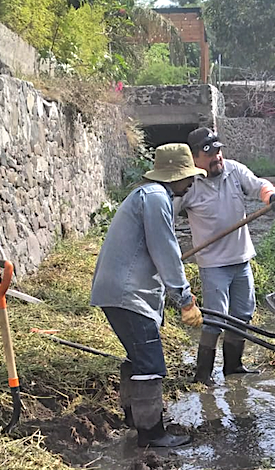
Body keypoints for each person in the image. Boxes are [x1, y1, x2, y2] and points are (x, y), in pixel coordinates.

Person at [90, 143, 205, 448]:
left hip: (120, 291)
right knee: (151, 363)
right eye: (188, 176)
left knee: (139, 357)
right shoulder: (155, 198)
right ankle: (151, 433)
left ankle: (134, 418)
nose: (191, 182)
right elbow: (165, 250)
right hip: (129, 294)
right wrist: (184, 298)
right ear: (175, 175)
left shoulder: (146, 195)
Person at [178, 127, 275, 386]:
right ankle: (203, 374)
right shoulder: (189, 184)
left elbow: (259, 184)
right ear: (195, 158)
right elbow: (166, 215)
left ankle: (233, 366)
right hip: (213, 264)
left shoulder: (234, 171)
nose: (217, 158)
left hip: (241, 259)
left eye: (218, 151)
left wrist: (271, 196)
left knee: (243, 314)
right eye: (209, 154)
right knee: (215, 318)